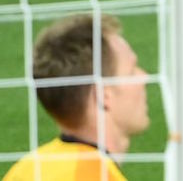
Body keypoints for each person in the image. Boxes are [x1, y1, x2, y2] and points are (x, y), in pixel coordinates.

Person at [3, 13, 149, 181]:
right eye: (131, 72)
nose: (144, 76)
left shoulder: (27, 168)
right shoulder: (96, 177)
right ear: (103, 95)